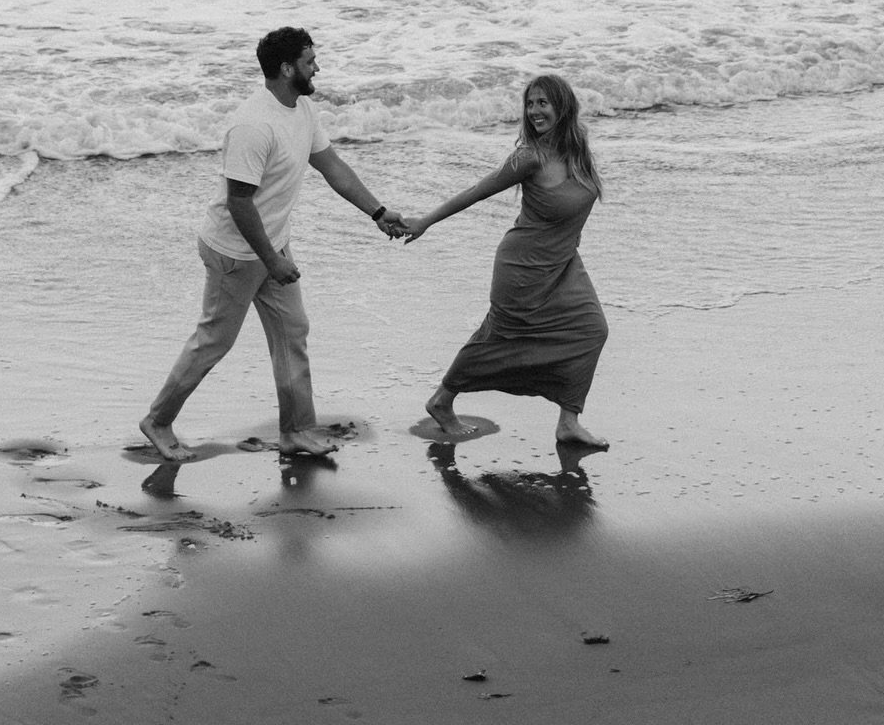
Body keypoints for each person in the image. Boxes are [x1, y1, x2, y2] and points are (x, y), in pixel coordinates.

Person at [139, 27, 407, 463]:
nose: (317, 66)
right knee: (214, 341)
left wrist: (378, 213)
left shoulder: (302, 109)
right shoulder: (252, 125)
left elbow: (332, 167)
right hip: (236, 253)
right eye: (309, 61)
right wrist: (271, 261)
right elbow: (239, 203)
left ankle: (298, 430)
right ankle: (158, 421)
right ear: (286, 69)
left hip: (271, 246)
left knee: (292, 331)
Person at [406, 74, 609, 452]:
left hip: (564, 264)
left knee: (591, 330)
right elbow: (473, 193)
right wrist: (425, 222)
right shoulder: (528, 158)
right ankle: (442, 400)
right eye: (529, 104)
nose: (534, 111)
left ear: (562, 107)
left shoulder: (578, 151)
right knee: (497, 339)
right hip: (523, 269)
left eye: (542, 103)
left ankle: (569, 422)